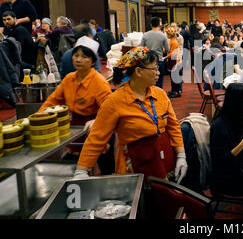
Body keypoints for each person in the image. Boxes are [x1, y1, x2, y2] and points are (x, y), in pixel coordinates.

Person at [73, 48, 188, 182]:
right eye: (154, 69)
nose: (158, 73)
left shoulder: (160, 94)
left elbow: (173, 127)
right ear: (138, 71)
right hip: (134, 164)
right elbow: (96, 138)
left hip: (162, 158)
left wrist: (181, 156)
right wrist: (81, 170)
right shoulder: (115, 101)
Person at [39, 36, 111, 125]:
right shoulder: (69, 79)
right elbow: (53, 100)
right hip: (73, 124)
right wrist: (39, 115)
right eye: (76, 56)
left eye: (84, 57)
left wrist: (97, 121)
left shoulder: (99, 82)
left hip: (93, 127)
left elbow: (109, 110)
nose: (78, 60)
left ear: (93, 62)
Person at [210, 83, 243, 196]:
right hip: (226, 180)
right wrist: (241, 145)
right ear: (240, 102)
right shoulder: (219, 126)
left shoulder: (236, 119)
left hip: (236, 169)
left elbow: (231, 147)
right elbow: (221, 161)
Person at [141, 17, 170, 88]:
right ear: (159, 25)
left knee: (149, 81)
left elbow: (141, 48)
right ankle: (158, 96)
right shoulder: (163, 35)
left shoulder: (145, 35)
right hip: (159, 60)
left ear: (150, 24)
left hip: (148, 61)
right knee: (159, 81)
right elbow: (167, 49)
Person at [166, 27, 182, 98]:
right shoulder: (172, 40)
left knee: (175, 76)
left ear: (170, 34)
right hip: (174, 60)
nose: (166, 35)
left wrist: (165, 57)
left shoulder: (173, 41)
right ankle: (174, 90)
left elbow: (171, 53)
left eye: (167, 34)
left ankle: (177, 91)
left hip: (175, 60)